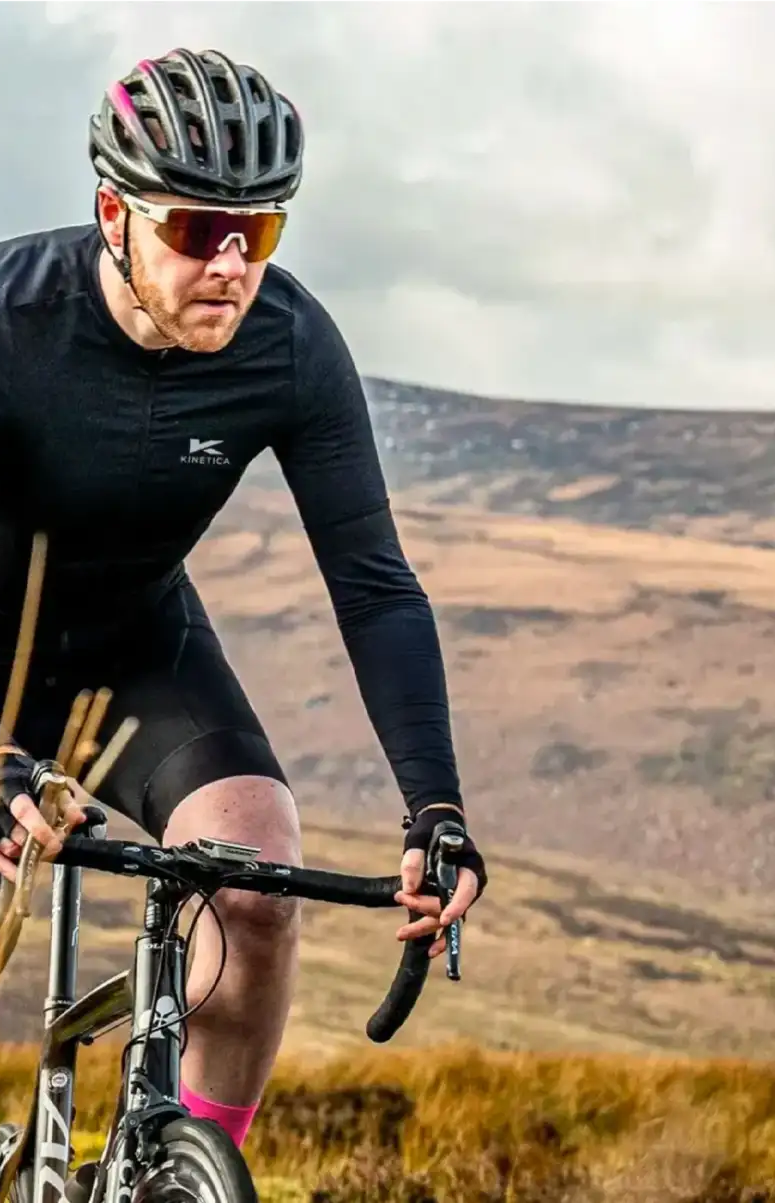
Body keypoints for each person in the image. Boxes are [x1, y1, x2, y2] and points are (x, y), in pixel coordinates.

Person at [0, 46, 487, 1155]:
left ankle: (191, 1165)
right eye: (194, 231)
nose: (229, 265)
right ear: (111, 213)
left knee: (255, 888)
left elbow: (373, 586)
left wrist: (435, 809)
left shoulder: (290, 344)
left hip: (132, 647)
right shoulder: (12, 324)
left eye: (258, 233)